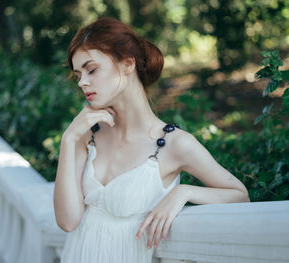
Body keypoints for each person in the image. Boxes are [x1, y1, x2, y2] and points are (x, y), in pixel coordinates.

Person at [53, 17, 250, 263]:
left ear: (127, 64)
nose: (82, 82)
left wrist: (183, 192)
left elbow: (240, 195)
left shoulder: (175, 144)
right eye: (78, 74)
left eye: (91, 69)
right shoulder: (85, 135)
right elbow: (68, 221)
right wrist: (68, 139)